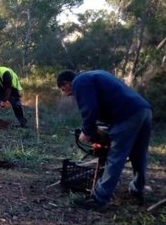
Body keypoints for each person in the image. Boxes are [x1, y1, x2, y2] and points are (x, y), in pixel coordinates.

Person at [56, 69, 152, 211]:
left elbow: (89, 108)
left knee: (115, 157)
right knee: (138, 154)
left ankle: (99, 199)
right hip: (143, 110)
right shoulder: (94, 75)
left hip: (127, 115)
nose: (67, 94)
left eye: (64, 90)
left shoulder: (79, 82)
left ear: (67, 83)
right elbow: (106, 102)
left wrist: (86, 132)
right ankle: (137, 190)